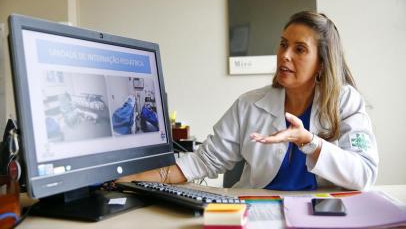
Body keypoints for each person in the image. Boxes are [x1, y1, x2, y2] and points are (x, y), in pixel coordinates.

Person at [117, 11, 378, 191]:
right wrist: (125, 179)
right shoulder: (249, 104)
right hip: (256, 215)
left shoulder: (345, 102)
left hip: (320, 217)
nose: (284, 55)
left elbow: (364, 175)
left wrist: (309, 142)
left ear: (322, 62)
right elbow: (203, 161)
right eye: (283, 44)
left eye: (299, 49)